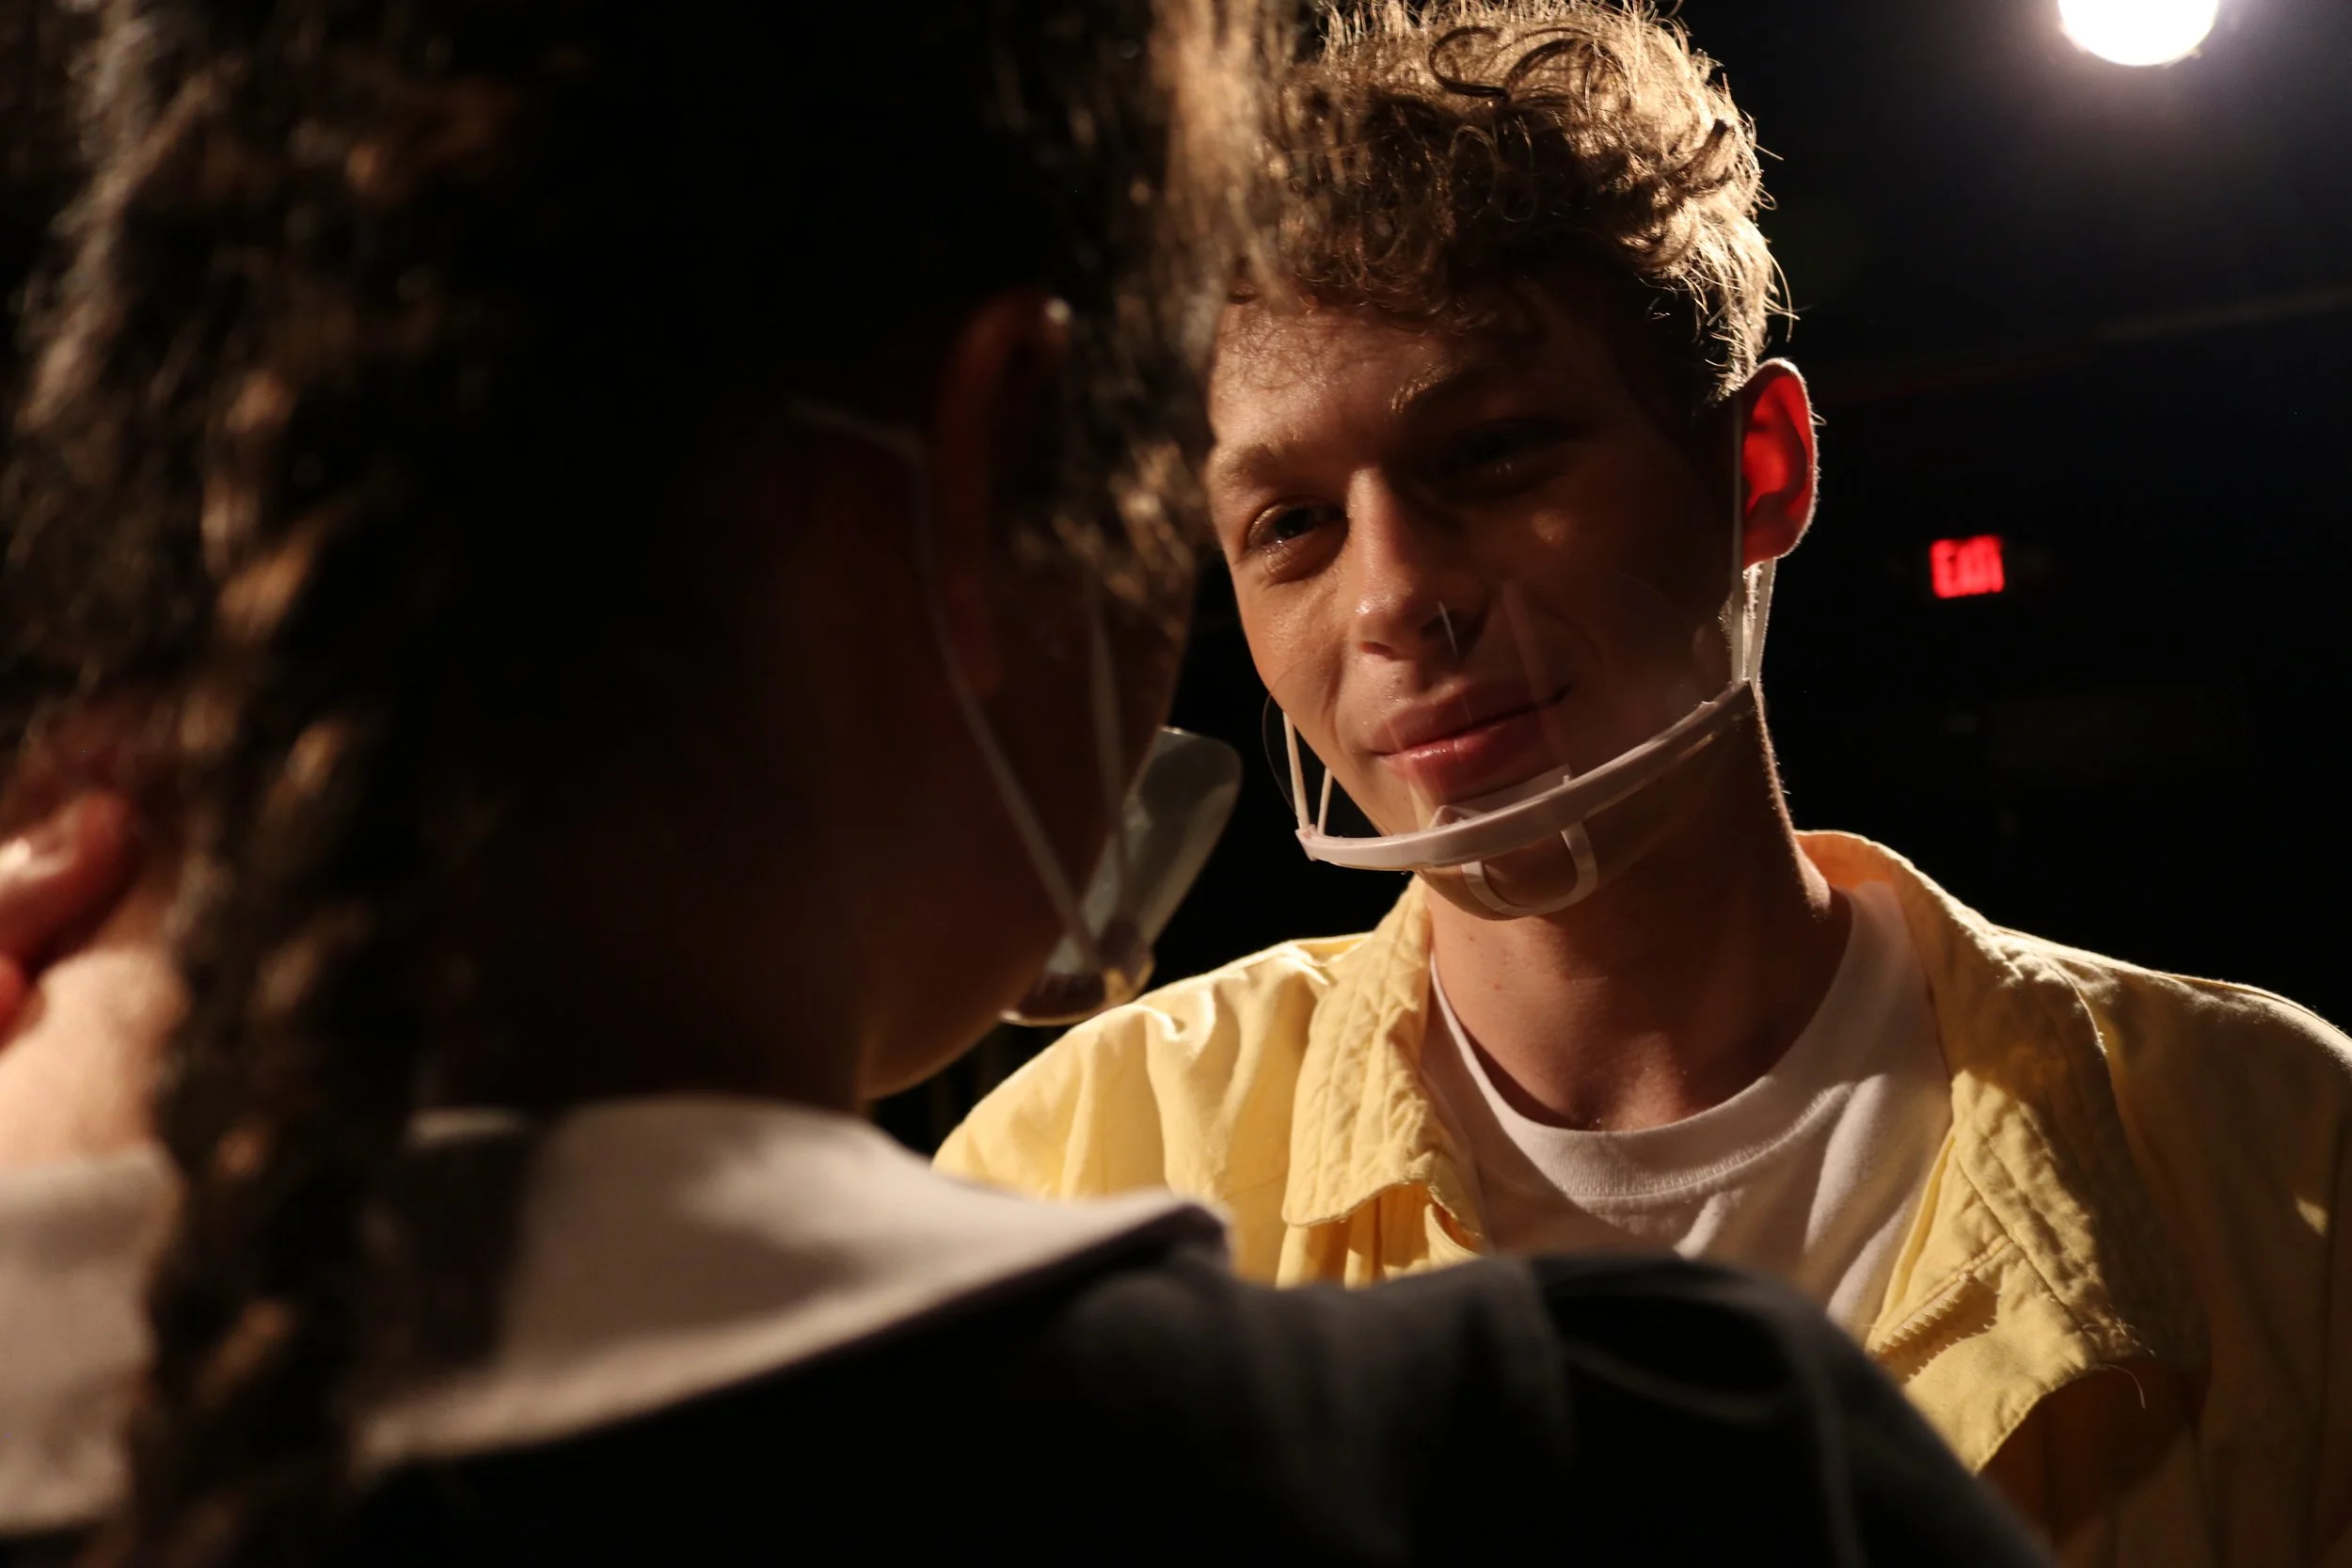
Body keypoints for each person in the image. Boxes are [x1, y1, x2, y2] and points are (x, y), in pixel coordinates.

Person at [0, 1, 2048, 1565]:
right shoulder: (1647, 1479)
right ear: (993, 468)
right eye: (1257, 518)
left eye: (1493, 457)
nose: (1392, 601)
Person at [934, 4, 2352, 1563]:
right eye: (1293, 525)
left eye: (1490, 455)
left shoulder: (2283, 1152)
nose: (1393, 597)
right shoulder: (1082, 1168)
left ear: (1761, 469)